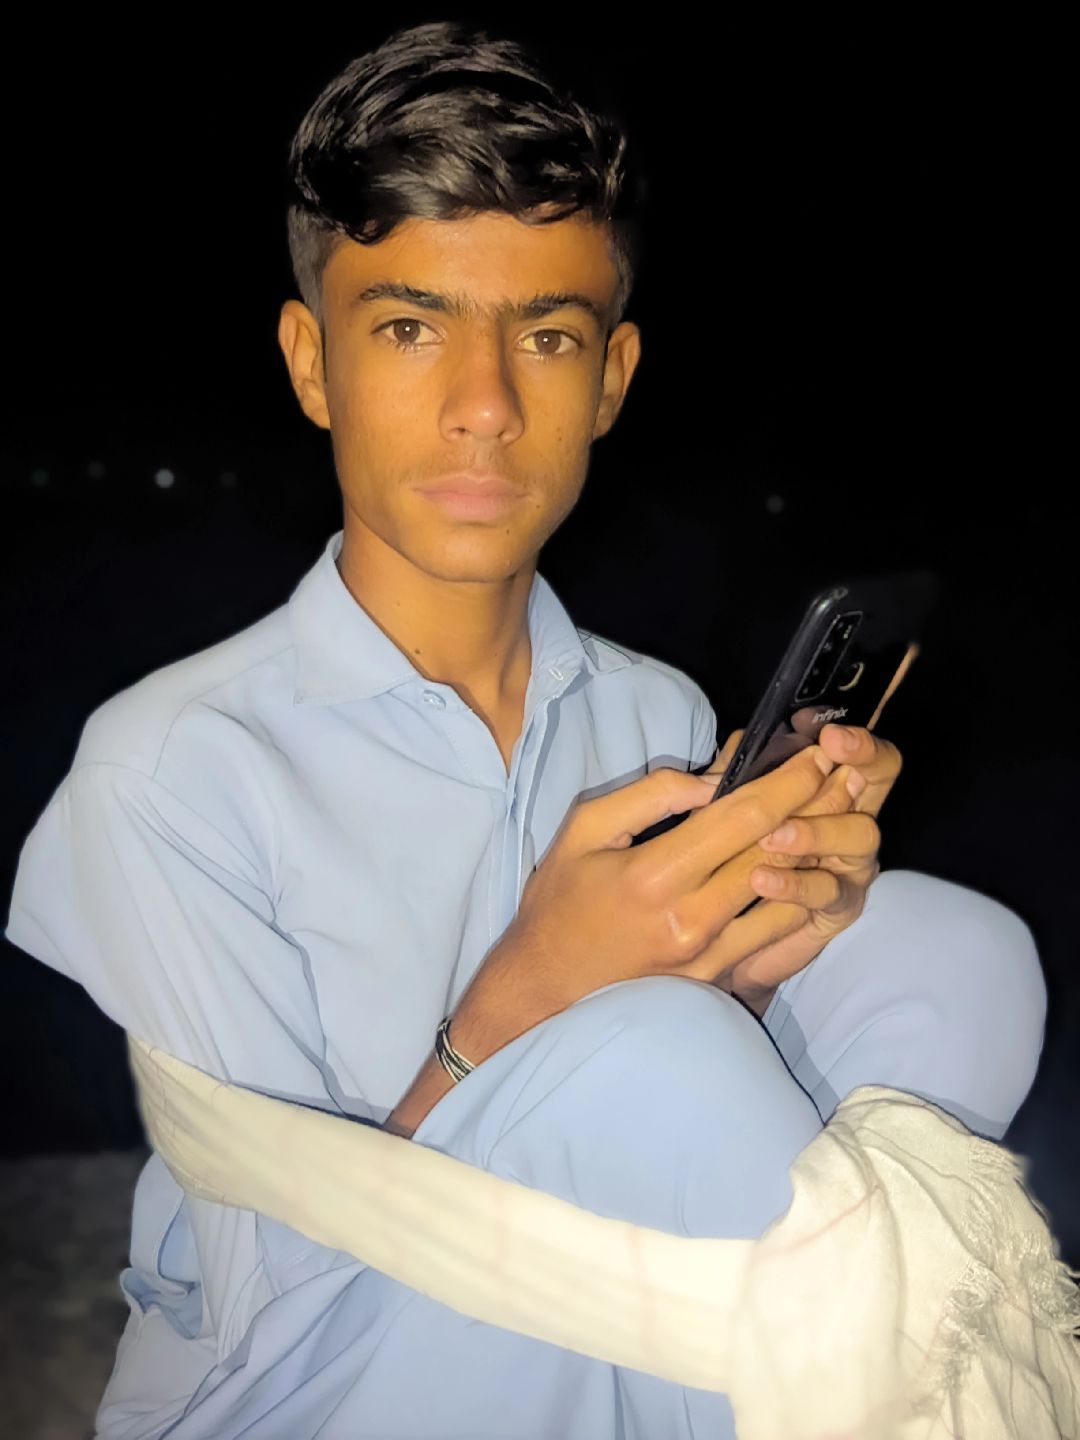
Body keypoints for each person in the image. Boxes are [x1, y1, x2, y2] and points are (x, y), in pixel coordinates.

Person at [3, 20, 1048, 1439]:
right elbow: (291, 1290)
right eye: (410, 328)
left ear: (610, 378)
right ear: (312, 365)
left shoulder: (650, 712)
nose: (486, 407)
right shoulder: (176, 768)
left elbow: (639, 1089)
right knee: (664, 1063)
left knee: (952, 949)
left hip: (605, 1280)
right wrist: (534, 993)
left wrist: (750, 958)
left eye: (546, 337)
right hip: (300, 1382)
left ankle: (819, 1358)